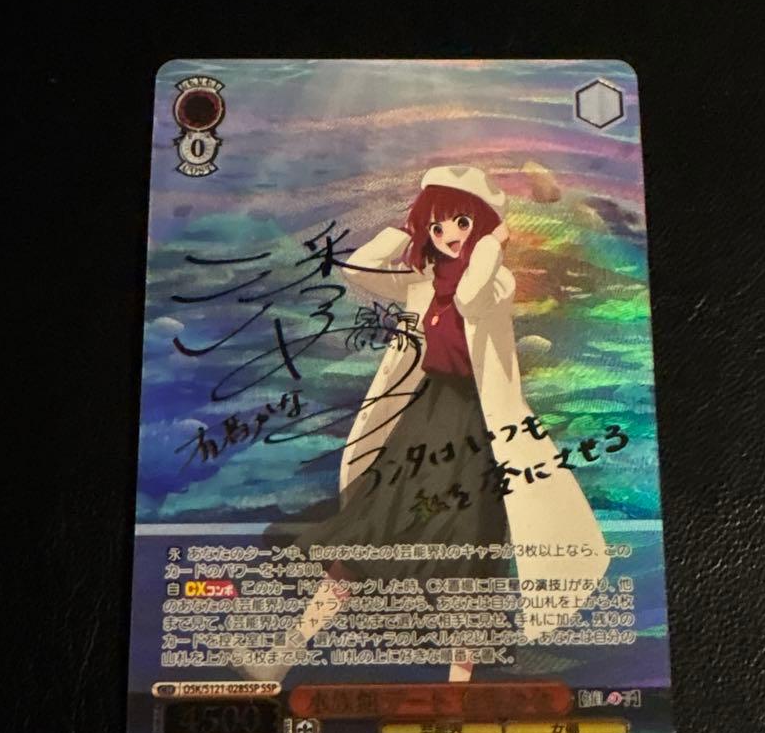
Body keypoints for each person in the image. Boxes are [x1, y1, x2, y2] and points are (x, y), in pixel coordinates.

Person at [252, 165, 608, 684]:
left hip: (479, 426)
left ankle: (458, 690)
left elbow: (471, 297)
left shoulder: (498, 281)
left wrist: (491, 243)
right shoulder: (422, 282)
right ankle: (283, 653)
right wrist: (407, 230)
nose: (449, 236)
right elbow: (358, 268)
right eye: (438, 226)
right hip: (425, 418)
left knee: (471, 557)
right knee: (368, 533)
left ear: (483, 223)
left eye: (463, 222)